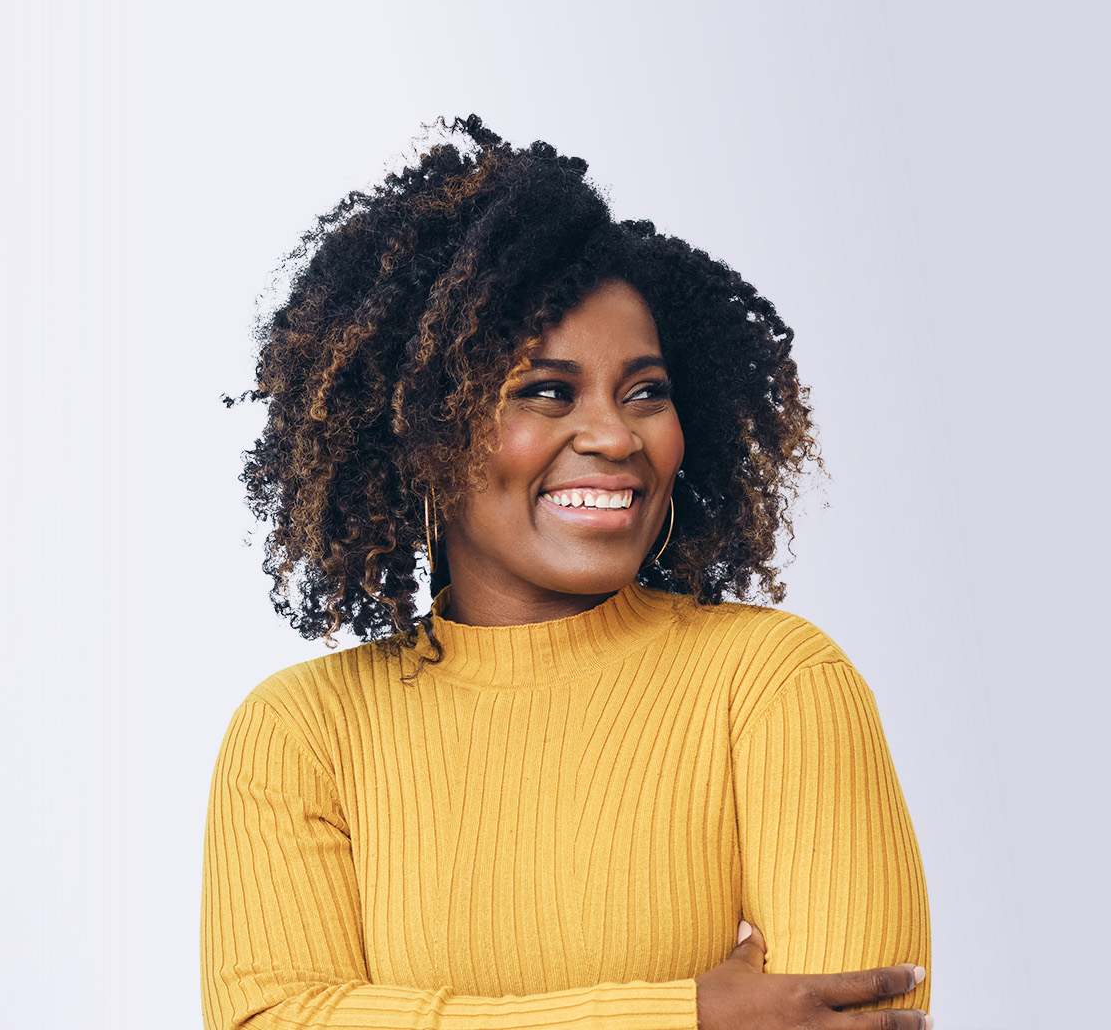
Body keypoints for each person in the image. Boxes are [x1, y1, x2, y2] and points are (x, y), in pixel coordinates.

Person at [201, 117, 932, 1030]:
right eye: (547, 392)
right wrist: (684, 1016)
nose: (616, 437)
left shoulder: (776, 686)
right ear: (423, 430)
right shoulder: (302, 734)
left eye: (646, 392)